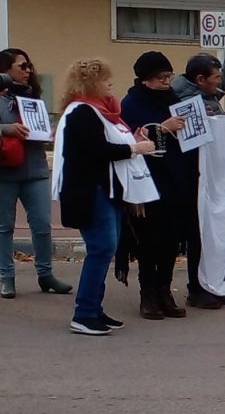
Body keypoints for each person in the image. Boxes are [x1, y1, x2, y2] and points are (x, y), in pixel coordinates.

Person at [54, 58, 157, 335]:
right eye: (105, 81)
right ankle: (84, 312)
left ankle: (93, 309)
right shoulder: (83, 113)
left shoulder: (97, 112)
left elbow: (107, 144)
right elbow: (97, 151)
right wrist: (135, 149)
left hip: (104, 189)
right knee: (101, 249)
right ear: (90, 83)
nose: (111, 86)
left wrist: (132, 142)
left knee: (104, 249)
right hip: (91, 191)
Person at [172, 32, 225, 308]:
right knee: (200, 234)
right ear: (200, 80)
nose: (220, 83)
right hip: (194, 177)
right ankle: (197, 287)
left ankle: (212, 283)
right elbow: (205, 130)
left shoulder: (205, 91)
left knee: (213, 231)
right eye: (215, 78)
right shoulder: (185, 100)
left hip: (212, 175)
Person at [119, 51, 190, 320]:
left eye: (169, 77)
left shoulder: (172, 98)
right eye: (161, 78)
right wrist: (164, 127)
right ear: (145, 79)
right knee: (150, 239)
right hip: (147, 180)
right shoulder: (132, 103)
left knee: (171, 239)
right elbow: (134, 137)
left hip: (175, 176)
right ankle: (147, 293)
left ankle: (165, 290)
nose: (166, 82)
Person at [0, 48, 72, 299]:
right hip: (5, 171)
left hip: (36, 168)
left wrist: (48, 133)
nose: (28, 70)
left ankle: (46, 274)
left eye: (29, 65)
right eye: (22, 66)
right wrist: (6, 128)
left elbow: (40, 128)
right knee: (4, 227)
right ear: (5, 69)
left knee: (42, 224)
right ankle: (6, 277)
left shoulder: (34, 98)